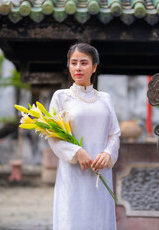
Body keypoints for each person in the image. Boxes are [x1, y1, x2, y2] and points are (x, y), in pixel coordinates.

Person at [48, 43, 120, 230]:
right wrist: (77, 151)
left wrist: (107, 153)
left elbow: (114, 133)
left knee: (100, 220)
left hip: (101, 170)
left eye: (84, 63)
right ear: (69, 66)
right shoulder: (61, 97)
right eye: (73, 63)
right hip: (73, 172)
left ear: (94, 67)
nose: (78, 67)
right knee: (72, 219)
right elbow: (53, 135)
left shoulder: (105, 98)